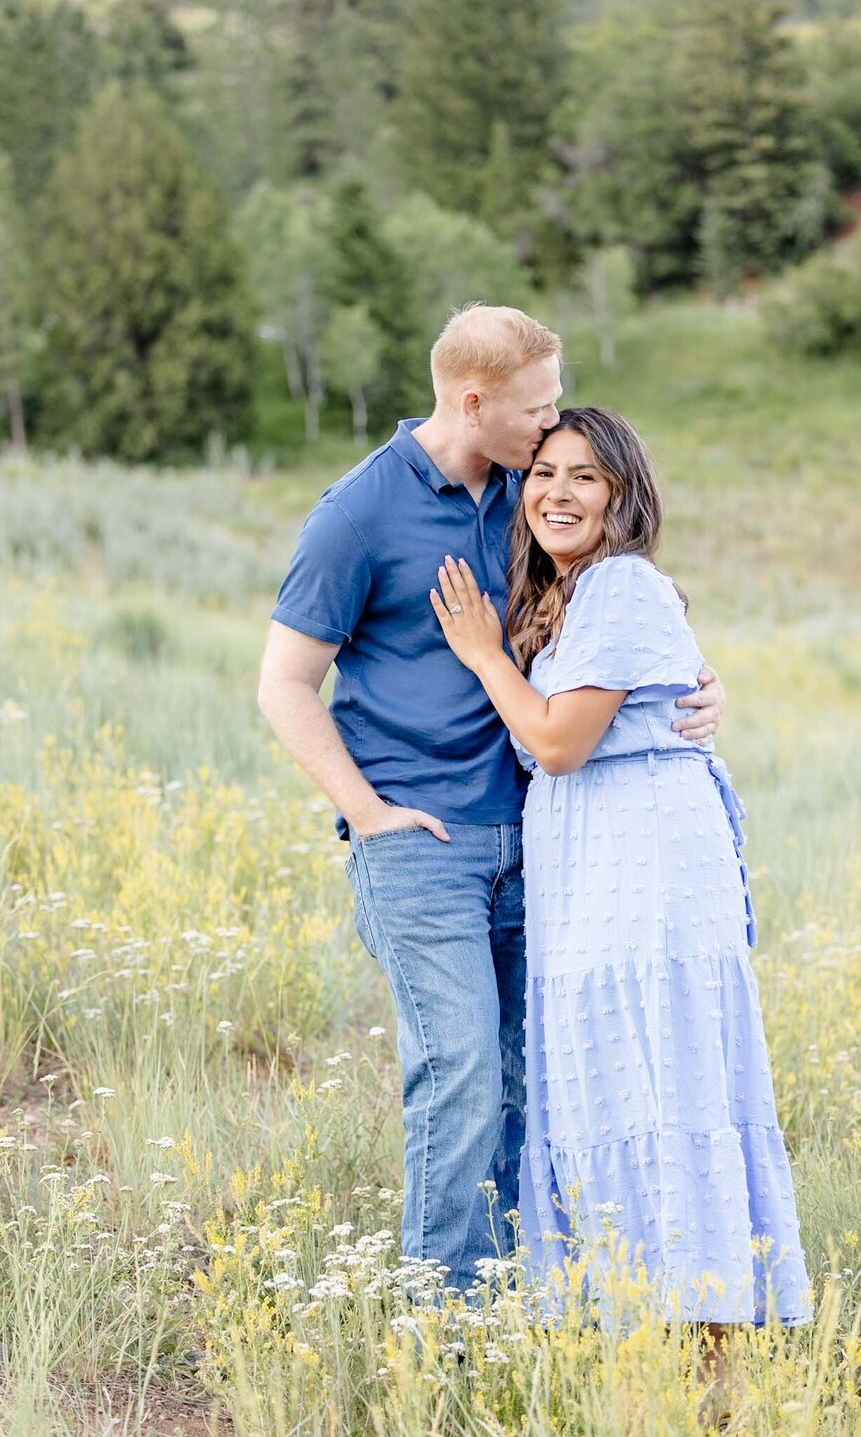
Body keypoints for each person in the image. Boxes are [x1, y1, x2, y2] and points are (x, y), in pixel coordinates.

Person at [257, 309, 726, 1295]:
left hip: (538, 840)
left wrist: (697, 681)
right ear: (475, 403)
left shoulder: (529, 489)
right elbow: (284, 684)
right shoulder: (358, 513)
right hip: (422, 843)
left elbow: (624, 601)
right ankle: (446, 1322)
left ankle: (519, 1298)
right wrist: (367, 810)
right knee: (462, 1070)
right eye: (537, 406)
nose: (552, 424)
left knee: (527, 1079)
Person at [430, 406, 811, 1343]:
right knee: (613, 1087)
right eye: (546, 473)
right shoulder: (574, 599)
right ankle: (643, 1333)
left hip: (644, 870)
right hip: (596, 866)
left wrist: (482, 654)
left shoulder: (623, 587)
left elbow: (557, 744)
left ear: (623, 495)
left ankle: (708, 1348)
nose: (558, 492)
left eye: (585, 477)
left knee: (659, 1083)